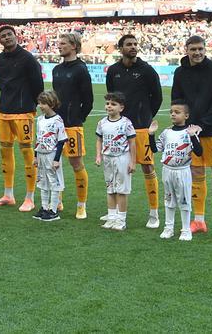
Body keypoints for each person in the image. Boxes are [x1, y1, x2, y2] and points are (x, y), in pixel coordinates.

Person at [171, 35, 212, 240]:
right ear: (186, 49)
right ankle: (199, 220)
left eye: (200, 49)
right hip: (190, 133)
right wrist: (183, 125)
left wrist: (202, 125)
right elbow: (177, 100)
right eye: (193, 49)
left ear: (205, 49)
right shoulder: (180, 72)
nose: (197, 53)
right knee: (196, 175)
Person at [105, 34, 164, 229]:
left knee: (147, 168)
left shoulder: (147, 70)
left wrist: (145, 116)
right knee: (115, 169)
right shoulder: (113, 71)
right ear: (120, 47)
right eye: (129, 44)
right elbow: (112, 95)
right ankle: (114, 213)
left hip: (140, 128)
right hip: (118, 129)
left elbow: (157, 97)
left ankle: (154, 213)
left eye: (135, 44)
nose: (133, 47)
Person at [0, 25, 43, 211]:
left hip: (24, 111)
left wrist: (33, 104)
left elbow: (38, 84)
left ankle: (30, 197)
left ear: (15, 36)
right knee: (5, 152)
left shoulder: (28, 58)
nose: (6, 38)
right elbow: (1, 83)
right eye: (3, 36)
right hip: (4, 111)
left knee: (27, 153)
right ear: (0, 40)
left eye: (9, 35)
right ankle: (8, 194)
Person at [51, 33, 94, 219]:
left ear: (74, 46)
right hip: (55, 124)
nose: (59, 46)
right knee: (54, 163)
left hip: (73, 125)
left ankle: (81, 205)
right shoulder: (56, 69)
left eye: (63, 44)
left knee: (76, 163)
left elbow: (89, 100)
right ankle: (57, 200)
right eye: (58, 43)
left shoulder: (80, 69)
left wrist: (78, 117)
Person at [150, 101, 203, 241]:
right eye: (171, 112)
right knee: (169, 200)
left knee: (184, 200)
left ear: (186, 115)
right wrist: (151, 135)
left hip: (183, 171)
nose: (173, 114)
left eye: (177, 112)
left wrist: (192, 136)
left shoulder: (189, 133)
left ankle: (186, 230)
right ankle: (168, 228)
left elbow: (199, 152)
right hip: (167, 170)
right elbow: (155, 149)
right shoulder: (166, 132)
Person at [95, 92, 137, 231]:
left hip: (122, 158)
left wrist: (132, 162)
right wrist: (99, 156)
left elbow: (132, 143)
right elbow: (99, 140)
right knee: (110, 189)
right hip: (108, 159)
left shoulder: (126, 123)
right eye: (107, 104)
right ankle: (111, 217)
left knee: (122, 190)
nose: (109, 106)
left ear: (121, 108)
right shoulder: (102, 122)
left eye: (113, 104)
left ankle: (121, 219)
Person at [32, 90, 67, 222]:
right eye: (39, 103)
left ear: (51, 104)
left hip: (51, 154)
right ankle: (44, 207)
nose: (40, 106)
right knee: (42, 181)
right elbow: (38, 138)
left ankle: (53, 210)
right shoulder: (40, 119)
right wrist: (35, 156)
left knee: (54, 182)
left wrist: (57, 159)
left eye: (44, 103)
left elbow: (61, 140)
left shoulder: (57, 120)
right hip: (41, 154)